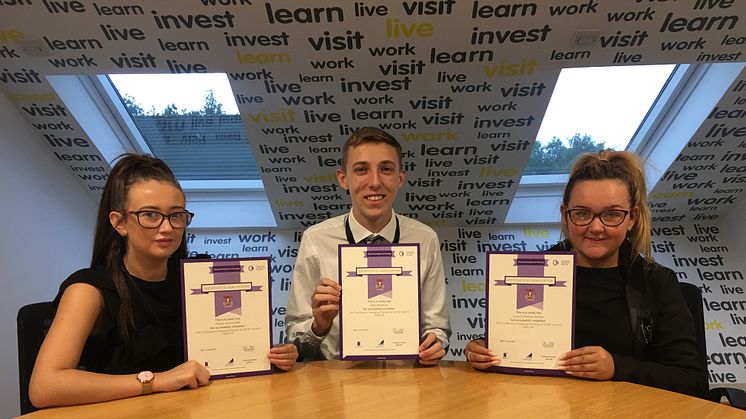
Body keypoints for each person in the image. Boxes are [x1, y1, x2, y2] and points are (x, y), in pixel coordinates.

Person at [29, 154, 297, 408]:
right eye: (150, 215)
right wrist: (158, 381)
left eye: (176, 215)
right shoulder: (89, 290)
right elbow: (44, 387)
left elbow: (226, 358)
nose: (167, 227)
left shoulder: (201, 279)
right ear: (119, 222)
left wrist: (269, 356)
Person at [464, 150, 707, 397]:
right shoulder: (534, 270)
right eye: (582, 213)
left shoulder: (656, 283)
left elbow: (691, 380)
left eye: (612, 214)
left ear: (631, 218)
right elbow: (515, 342)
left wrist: (618, 367)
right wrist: (482, 349)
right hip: (543, 406)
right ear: (565, 215)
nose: (596, 227)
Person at [286, 127, 451, 364]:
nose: (374, 182)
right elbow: (294, 333)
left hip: (406, 382)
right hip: (335, 384)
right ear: (343, 179)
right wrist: (319, 326)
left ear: (400, 177)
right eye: (362, 170)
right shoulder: (315, 240)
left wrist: (434, 344)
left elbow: (438, 328)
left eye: (385, 169)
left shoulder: (425, 239)